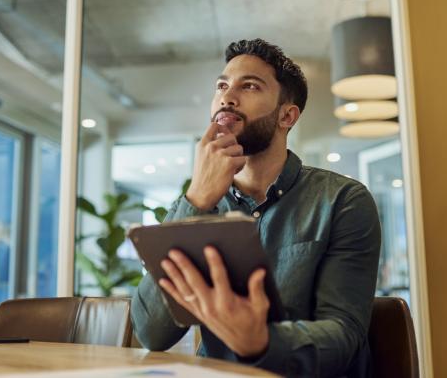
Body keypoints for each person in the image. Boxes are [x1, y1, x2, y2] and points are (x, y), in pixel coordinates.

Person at [131, 39, 381, 377]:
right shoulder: (193, 203)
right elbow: (152, 333)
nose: (227, 97)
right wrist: (197, 201)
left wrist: (261, 341)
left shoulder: (343, 200)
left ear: (287, 115)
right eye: (222, 85)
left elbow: (344, 334)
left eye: (249, 85)